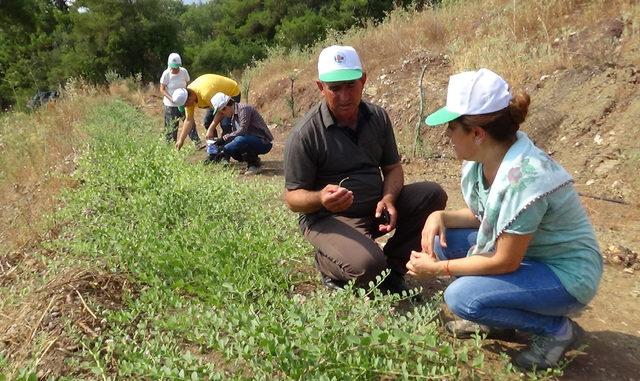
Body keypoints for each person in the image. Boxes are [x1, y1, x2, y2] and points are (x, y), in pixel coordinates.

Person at [407, 68, 603, 370]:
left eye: (450, 127)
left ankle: (556, 331)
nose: (446, 135)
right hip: (533, 259)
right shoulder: (487, 160)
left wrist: (437, 269)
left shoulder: (524, 176)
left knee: (461, 298)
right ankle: (495, 322)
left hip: (567, 276)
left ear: (476, 133)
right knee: (442, 239)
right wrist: (439, 215)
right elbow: (483, 215)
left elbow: (505, 262)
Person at [283, 45, 447, 293]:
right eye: (335, 88)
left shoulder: (377, 118)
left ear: (363, 80)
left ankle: (391, 267)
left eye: (351, 85)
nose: (345, 96)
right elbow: (293, 198)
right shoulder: (305, 134)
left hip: (375, 209)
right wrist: (320, 198)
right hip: (328, 218)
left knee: (432, 194)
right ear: (320, 87)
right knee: (368, 266)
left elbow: (393, 168)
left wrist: (389, 199)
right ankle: (327, 263)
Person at [205, 92, 273, 175]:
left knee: (238, 141)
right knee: (233, 148)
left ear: (225, 108)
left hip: (263, 142)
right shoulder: (234, 116)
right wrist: (220, 148)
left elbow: (242, 131)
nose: (223, 115)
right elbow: (235, 135)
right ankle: (253, 161)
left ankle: (255, 165)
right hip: (249, 140)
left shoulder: (244, 109)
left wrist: (224, 147)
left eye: (222, 113)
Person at [172, 73, 241, 150]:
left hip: (230, 93)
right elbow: (189, 120)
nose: (186, 107)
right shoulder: (188, 98)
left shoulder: (206, 93)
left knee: (226, 124)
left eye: (185, 105)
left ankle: (224, 154)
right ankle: (215, 149)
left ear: (189, 98)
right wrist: (181, 140)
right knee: (208, 122)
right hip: (214, 99)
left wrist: (211, 129)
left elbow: (221, 110)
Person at [159, 53, 200, 144]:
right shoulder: (166, 74)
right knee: (171, 126)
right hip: (170, 105)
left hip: (184, 103)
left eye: (177, 66)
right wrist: (171, 98)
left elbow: (188, 85)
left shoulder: (184, 72)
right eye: (173, 67)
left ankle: (197, 143)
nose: (175, 69)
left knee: (189, 122)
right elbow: (162, 89)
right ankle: (170, 145)